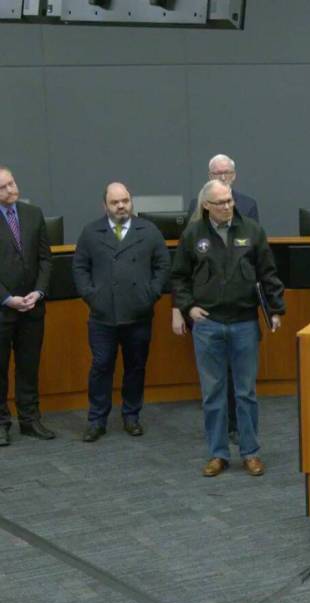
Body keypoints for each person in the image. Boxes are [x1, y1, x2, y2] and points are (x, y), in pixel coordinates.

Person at [170, 180, 285, 477]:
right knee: (213, 393)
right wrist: (188, 307)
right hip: (208, 325)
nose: (227, 206)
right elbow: (179, 277)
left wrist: (275, 310)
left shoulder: (252, 231)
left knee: (245, 392)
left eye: (229, 200)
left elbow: (268, 273)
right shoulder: (193, 235)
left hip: (244, 322)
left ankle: (250, 452)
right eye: (220, 202)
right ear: (206, 205)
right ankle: (218, 453)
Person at [72, 183, 170, 442]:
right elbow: (79, 267)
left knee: (135, 367)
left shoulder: (147, 230)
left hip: (138, 314)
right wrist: (91, 296)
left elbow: (163, 265)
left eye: (125, 200)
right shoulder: (91, 232)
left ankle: (131, 416)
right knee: (101, 366)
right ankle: (96, 420)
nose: (121, 206)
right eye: (115, 202)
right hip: (102, 316)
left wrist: (150, 294)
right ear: (104, 205)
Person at [186, 153, 258, 443]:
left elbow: (256, 258)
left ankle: (246, 438)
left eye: (226, 173)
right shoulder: (196, 213)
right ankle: (218, 446)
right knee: (214, 386)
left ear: (234, 175)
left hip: (241, 311)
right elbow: (184, 266)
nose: (221, 178)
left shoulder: (249, 207)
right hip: (208, 311)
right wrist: (184, 307)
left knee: (244, 387)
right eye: (216, 174)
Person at [0, 166, 53, 445]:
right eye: (3, 187)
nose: (11, 189)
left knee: (29, 366)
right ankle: (1, 423)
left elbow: (46, 258)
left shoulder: (33, 214)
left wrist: (39, 291)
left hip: (32, 307)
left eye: (12, 183)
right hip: (2, 307)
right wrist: (6, 298)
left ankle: (30, 420)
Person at [187, 153, 259, 222]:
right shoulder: (196, 204)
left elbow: (253, 233)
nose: (223, 178)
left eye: (227, 172)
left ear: (234, 175)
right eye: (218, 173)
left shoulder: (248, 204)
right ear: (210, 176)